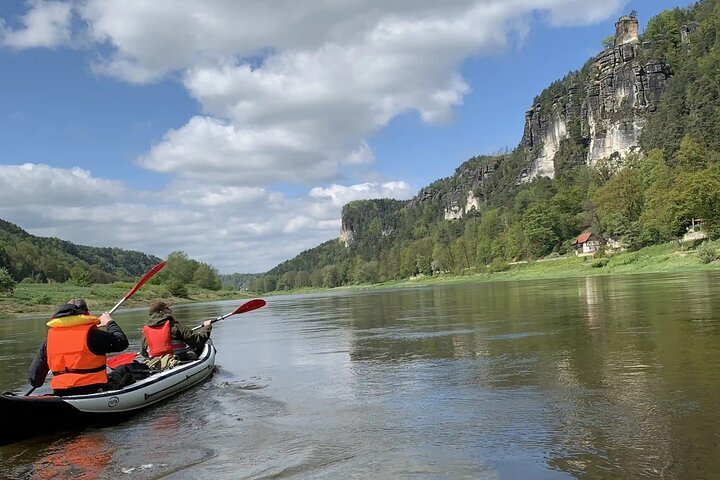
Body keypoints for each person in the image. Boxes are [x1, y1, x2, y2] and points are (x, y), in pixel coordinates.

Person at [28, 298, 133, 396]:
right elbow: (122, 342)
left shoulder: (49, 341)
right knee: (124, 369)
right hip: (95, 390)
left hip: (61, 392)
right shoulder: (94, 336)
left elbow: (35, 380)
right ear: (87, 314)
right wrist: (109, 322)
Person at [140, 301, 212, 362]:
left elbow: (143, 352)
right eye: (167, 308)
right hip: (179, 359)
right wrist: (206, 327)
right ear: (161, 312)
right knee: (199, 346)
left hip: (157, 362)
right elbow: (198, 341)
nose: (170, 310)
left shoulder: (145, 330)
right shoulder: (175, 326)